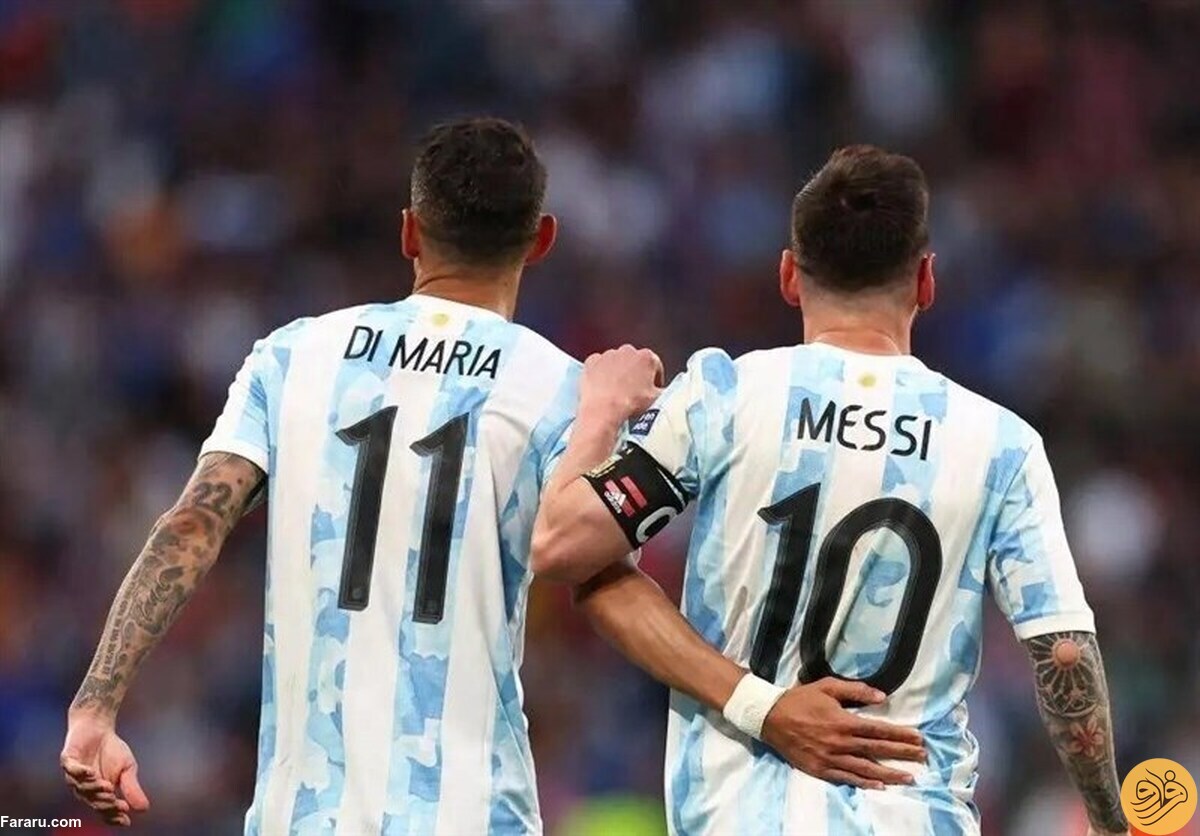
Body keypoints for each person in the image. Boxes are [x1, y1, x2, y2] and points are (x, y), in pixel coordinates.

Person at [60, 121, 923, 834]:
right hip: (472, 810)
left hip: (302, 814)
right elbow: (602, 582)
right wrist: (760, 705)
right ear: (541, 240)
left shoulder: (293, 357)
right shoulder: (558, 391)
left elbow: (192, 524)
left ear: (410, 232)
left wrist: (96, 709)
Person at [532, 145, 1130, 836]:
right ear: (926, 281)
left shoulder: (723, 397)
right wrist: (1107, 820)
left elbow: (566, 547)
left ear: (789, 275)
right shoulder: (1001, 443)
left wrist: (602, 413)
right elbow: (1063, 652)